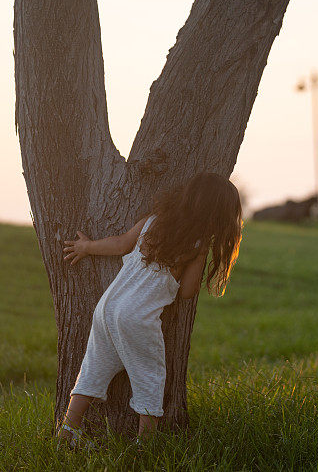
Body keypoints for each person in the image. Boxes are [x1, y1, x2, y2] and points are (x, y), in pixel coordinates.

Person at [55, 172, 243, 449]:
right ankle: (147, 444)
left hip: (108, 307)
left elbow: (119, 244)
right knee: (150, 377)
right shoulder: (197, 245)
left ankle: (68, 430)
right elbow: (188, 291)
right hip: (137, 318)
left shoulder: (152, 222)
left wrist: (86, 246)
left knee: (94, 367)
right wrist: (200, 256)